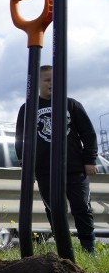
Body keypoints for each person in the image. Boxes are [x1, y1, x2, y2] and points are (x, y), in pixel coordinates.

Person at [15, 65, 99, 252]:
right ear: (38, 83)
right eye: (47, 80)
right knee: (55, 210)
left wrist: (90, 160)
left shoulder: (71, 105)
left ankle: (89, 248)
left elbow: (88, 134)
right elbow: (21, 138)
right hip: (45, 170)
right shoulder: (28, 108)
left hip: (75, 168)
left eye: (55, 79)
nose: (52, 83)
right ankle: (64, 248)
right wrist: (25, 163)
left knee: (82, 208)